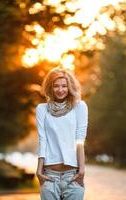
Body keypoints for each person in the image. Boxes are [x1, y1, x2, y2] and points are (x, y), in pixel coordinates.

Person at [35, 67, 88, 200]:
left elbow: (80, 140)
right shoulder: (42, 109)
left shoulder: (79, 107)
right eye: (56, 86)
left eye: (64, 86)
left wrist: (81, 170)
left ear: (70, 87)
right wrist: (39, 171)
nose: (60, 90)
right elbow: (43, 140)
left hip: (72, 177)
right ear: (50, 88)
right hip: (49, 177)